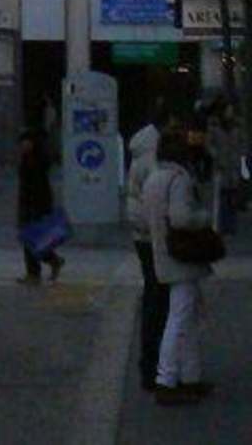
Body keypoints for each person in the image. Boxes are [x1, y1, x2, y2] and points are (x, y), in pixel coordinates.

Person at [144, 125, 214, 406]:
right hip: (182, 255)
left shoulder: (154, 177)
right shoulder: (179, 179)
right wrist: (204, 217)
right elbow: (182, 218)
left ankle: (189, 375)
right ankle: (168, 379)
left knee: (187, 315)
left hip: (164, 252)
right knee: (181, 316)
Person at [127, 112, 169, 393]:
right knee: (158, 300)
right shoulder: (154, 159)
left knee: (154, 295)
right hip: (152, 236)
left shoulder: (142, 152)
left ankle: (151, 366)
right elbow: (158, 202)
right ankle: (153, 366)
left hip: (141, 235)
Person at [17, 125, 63, 283]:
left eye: (25, 142)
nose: (23, 145)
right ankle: (43, 266)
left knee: (33, 238)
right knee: (30, 238)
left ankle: (40, 268)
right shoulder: (27, 158)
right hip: (28, 202)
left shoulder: (37, 160)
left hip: (37, 203)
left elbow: (38, 184)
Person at [206, 101, 241, 237]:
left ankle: (231, 226)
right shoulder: (215, 126)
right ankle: (220, 225)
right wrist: (216, 155)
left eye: (231, 111)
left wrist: (241, 162)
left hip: (233, 166)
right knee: (221, 197)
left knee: (232, 196)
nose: (230, 113)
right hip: (220, 166)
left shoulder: (236, 126)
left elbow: (241, 145)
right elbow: (209, 144)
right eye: (228, 110)